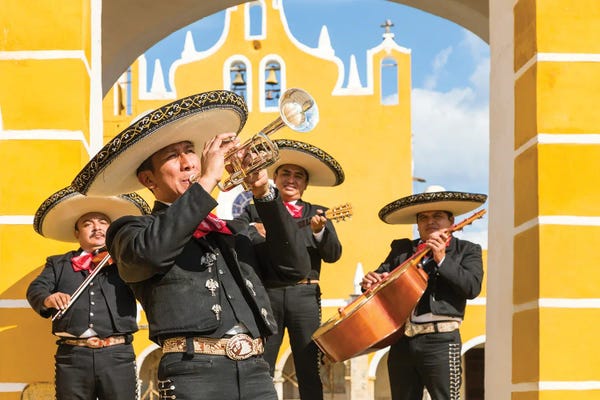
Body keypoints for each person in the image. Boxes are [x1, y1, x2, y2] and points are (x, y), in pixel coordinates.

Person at [69, 90, 312, 400]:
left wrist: (264, 191)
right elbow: (151, 254)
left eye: (190, 151)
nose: (187, 163)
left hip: (256, 373)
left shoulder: (234, 231)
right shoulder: (131, 230)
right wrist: (208, 179)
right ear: (148, 180)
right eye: (173, 156)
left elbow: (294, 268)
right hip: (192, 375)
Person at [235, 138, 345, 399]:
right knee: (263, 363)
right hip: (267, 294)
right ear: (274, 177)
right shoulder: (253, 212)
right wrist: (256, 232)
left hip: (304, 296)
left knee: (309, 366)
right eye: (286, 173)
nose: (292, 180)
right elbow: (238, 240)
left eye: (298, 176)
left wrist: (320, 234)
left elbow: (333, 255)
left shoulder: (318, 213)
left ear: (306, 184)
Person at [361, 186, 487, 400]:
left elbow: (472, 287)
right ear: (417, 225)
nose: (430, 221)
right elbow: (378, 281)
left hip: (441, 340)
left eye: (438, 215)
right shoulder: (401, 251)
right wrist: (369, 282)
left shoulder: (467, 250)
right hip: (402, 342)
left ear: (451, 221)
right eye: (424, 217)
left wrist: (442, 260)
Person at [27, 186, 151, 400]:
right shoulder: (59, 263)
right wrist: (48, 299)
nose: (97, 228)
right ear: (77, 232)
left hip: (117, 355)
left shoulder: (124, 261)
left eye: (103, 223)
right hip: (73, 357)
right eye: (88, 224)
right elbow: (36, 289)